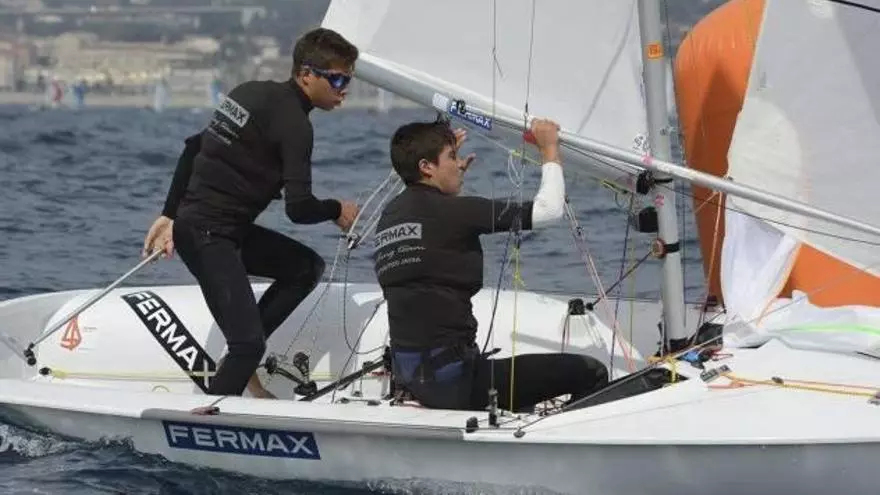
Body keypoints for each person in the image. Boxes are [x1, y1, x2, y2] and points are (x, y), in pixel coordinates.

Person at [142, 28, 360, 401]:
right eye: (338, 79)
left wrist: (169, 214)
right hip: (209, 237)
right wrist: (336, 209)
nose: (344, 90)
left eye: (348, 80)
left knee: (305, 267)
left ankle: (239, 364)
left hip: (215, 230)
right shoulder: (296, 126)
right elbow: (299, 208)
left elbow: (193, 149)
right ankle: (210, 415)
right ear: (306, 74)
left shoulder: (248, 92)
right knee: (248, 344)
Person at [373, 117, 610, 412]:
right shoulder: (456, 211)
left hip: (415, 380)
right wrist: (549, 149)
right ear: (426, 167)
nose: (459, 164)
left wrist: (446, 173)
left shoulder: (390, 217)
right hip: (457, 383)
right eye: (452, 157)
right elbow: (548, 211)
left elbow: (430, 225)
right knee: (591, 372)